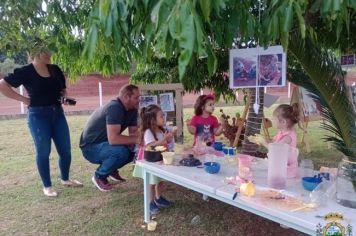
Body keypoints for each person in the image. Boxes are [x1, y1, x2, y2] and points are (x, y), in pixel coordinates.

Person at [0, 41, 83, 197]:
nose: (50, 54)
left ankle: (65, 179)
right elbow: (2, 85)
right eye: (47, 51)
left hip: (57, 113)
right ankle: (47, 186)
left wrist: (64, 97)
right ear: (36, 52)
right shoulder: (26, 71)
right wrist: (23, 100)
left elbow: (62, 89)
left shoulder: (55, 69)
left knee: (65, 150)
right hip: (38, 116)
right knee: (43, 151)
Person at [80, 84, 140, 192]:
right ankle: (99, 176)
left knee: (135, 150)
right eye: (136, 97)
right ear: (126, 97)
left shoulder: (132, 110)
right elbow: (114, 139)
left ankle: (111, 170)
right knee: (121, 152)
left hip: (105, 144)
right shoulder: (115, 108)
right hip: (90, 148)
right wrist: (137, 140)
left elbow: (134, 133)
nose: (139, 100)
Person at [133, 104, 173, 214]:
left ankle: (158, 197)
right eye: (161, 116)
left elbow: (164, 143)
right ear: (152, 120)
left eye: (163, 115)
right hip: (149, 162)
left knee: (159, 180)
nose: (163, 118)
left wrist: (168, 138)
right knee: (151, 183)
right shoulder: (148, 132)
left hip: (159, 160)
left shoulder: (161, 130)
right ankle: (150, 202)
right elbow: (151, 145)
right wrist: (164, 139)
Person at [249, 104, 300, 178]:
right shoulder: (281, 132)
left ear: (283, 122)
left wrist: (263, 142)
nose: (273, 121)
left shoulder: (288, 137)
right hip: (280, 166)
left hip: (287, 172)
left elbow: (275, 150)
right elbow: (272, 142)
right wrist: (260, 138)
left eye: (274, 119)